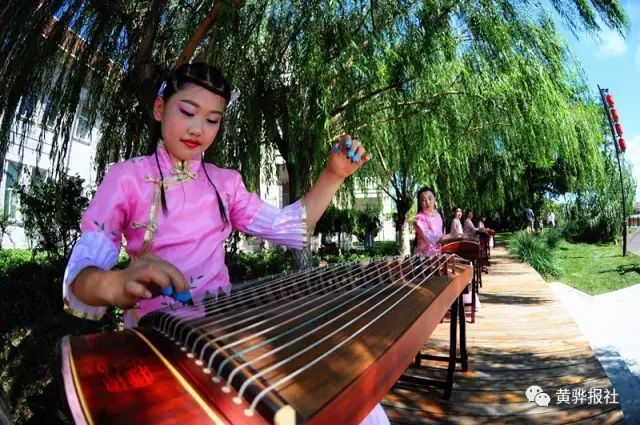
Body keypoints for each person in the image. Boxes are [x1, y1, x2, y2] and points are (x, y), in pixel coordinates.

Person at [62, 63, 388, 424]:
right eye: (187, 112)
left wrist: (333, 175)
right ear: (159, 109)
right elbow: (80, 280)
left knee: (358, 405)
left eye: (213, 119)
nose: (198, 129)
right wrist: (116, 283)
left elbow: (291, 227)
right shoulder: (127, 178)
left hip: (224, 334)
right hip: (158, 346)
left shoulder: (224, 183)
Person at [413, 186, 445, 255]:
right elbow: (433, 239)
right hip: (423, 259)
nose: (427, 202)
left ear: (435, 199)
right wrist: (458, 236)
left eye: (430, 198)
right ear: (419, 202)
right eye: (423, 200)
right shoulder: (418, 219)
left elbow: (441, 235)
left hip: (437, 256)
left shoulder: (438, 215)